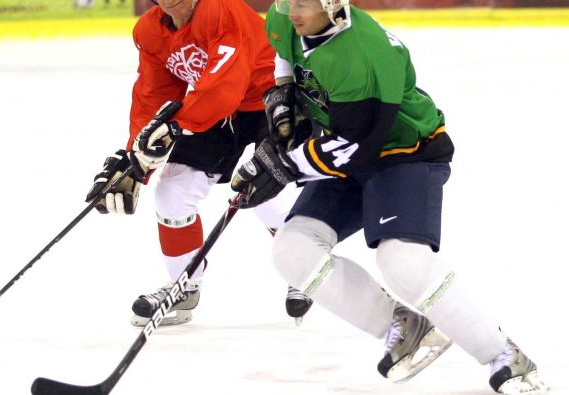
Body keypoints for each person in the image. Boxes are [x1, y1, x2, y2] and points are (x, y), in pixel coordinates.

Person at [230, 0, 550, 393]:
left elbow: (358, 143)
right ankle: (403, 326)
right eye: (287, 0)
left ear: (332, 6)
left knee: (403, 262)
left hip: (404, 152)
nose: (291, 11)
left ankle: (505, 356)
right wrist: (282, 94)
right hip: (344, 149)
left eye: (303, 4)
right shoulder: (285, 18)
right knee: (292, 252)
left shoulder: (361, 54)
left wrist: (284, 166)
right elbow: (284, 55)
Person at [85, 0, 313, 327]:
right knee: (173, 188)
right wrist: (136, 157)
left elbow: (226, 85)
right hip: (219, 108)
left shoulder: (220, 11)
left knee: (265, 189)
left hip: (272, 98)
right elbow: (154, 96)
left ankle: (305, 264)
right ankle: (184, 285)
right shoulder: (151, 31)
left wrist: (179, 124)